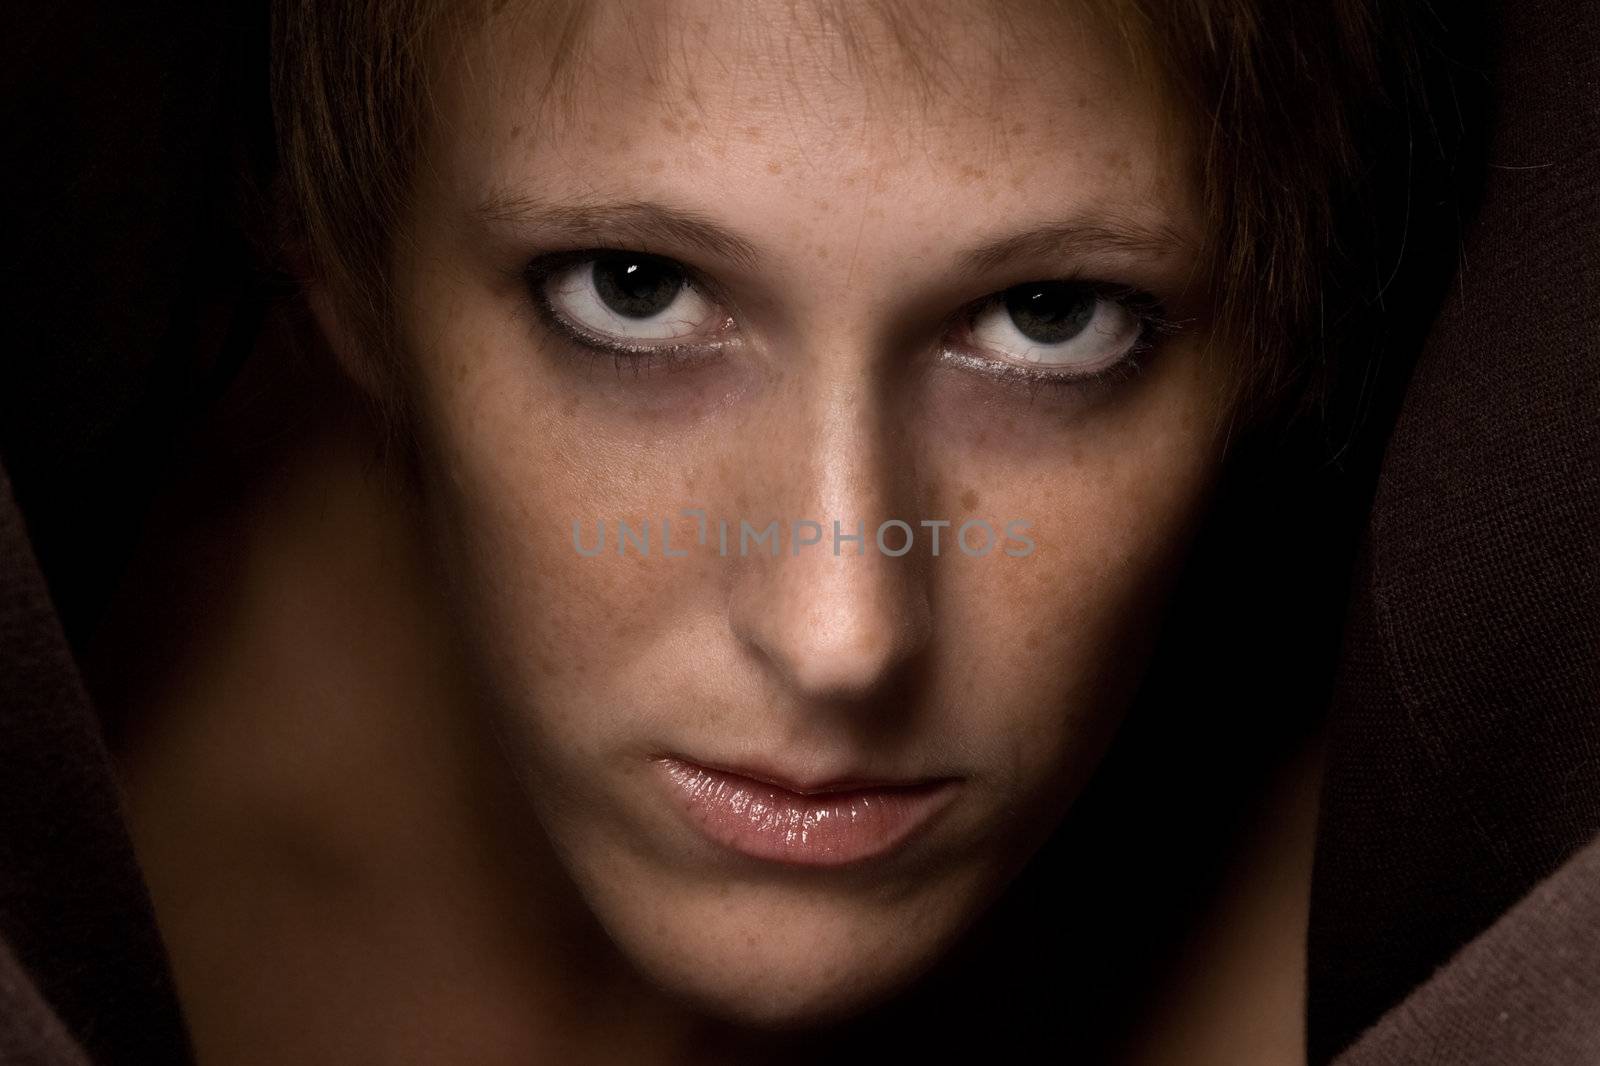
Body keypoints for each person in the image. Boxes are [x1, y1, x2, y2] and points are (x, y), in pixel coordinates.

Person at [5, 1, 1596, 1065]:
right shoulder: (72, 799)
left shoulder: (1451, 935)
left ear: (1273, 331)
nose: (843, 632)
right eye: (634, 291)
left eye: (1053, 321)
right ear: (340, 275)